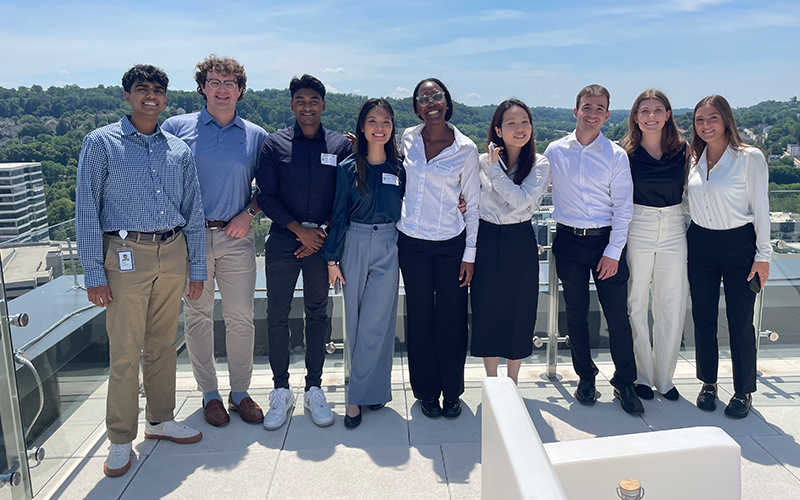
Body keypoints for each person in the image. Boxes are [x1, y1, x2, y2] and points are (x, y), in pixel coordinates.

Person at [76, 64, 206, 477]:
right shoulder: (100, 144)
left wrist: (197, 268)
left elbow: (194, 212)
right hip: (124, 253)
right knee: (126, 349)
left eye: (157, 90)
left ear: (166, 98)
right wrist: (94, 272)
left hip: (172, 250)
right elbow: (85, 210)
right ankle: (119, 438)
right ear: (127, 96)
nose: (150, 96)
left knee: (164, 344)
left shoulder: (177, 150)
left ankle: (159, 420)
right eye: (141, 89)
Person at [162, 55, 268, 427]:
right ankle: (209, 394)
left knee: (241, 317)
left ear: (240, 90)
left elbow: (269, 187)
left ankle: (240, 392)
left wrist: (249, 213)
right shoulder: (176, 127)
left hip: (236, 238)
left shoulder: (254, 135)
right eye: (214, 82)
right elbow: (162, 181)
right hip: (189, 240)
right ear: (202, 87)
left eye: (229, 83)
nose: (222, 90)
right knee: (198, 317)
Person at [255, 74, 352, 430]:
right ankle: (281, 389)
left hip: (323, 242)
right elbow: (265, 195)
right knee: (276, 314)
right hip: (284, 239)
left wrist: (321, 234)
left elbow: (347, 196)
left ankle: (314, 387)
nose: (307, 106)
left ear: (323, 104)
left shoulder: (341, 146)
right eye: (300, 100)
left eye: (314, 100)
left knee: (317, 313)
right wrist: (300, 231)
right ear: (292, 104)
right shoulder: (274, 144)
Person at [544, 84, 644, 415]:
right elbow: (529, 185)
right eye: (587, 106)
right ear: (576, 111)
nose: (592, 113)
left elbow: (623, 208)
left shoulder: (615, 155)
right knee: (576, 314)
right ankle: (585, 378)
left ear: (607, 115)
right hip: (569, 240)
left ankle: (625, 383)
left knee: (617, 316)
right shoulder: (555, 151)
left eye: (599, 108)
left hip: (606, 241)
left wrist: (614, 252)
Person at [398, 78, 480, 419]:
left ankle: (452, 391)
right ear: (417, 107)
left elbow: (472, 205)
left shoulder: (466, 149)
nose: (431, 102)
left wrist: (469, 256)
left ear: (447, 103)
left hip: (450, 244)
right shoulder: (406, 139)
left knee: (452, 319)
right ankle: (426, 391)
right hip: (411, 242)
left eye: (437, 96)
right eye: (423, 98)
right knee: (419, 318)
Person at [686, 95, 771, 419]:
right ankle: (708, 383)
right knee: (703, 318)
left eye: (712, 118)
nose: (706, 125)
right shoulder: (693, 158)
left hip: (739, 244)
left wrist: (763, 256)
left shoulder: (749, 158)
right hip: (701, 242)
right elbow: (687, 202)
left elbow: (761, 209)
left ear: (726, 121)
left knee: (740, 321)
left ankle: (743, 390)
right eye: (699, 120)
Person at [323, 99, 406, 428]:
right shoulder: (346, 168)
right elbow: (338, 214)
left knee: (378, 324)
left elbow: (413, 205)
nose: (380, 127)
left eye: (386, 121)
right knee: (355, 323)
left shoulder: (399, 168)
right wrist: (331, 259)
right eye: (373, 121)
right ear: (362, 127)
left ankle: (364, 393)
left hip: (389, 244)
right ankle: (358, 396)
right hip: (354, 244)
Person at [470, 98, 550, 384]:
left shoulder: (539, 163)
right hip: (486, 236)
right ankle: (492, 380)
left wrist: (494, 170)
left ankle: (513, 380)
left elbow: (520, 203)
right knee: (485, 308)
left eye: (525, 122)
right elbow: (468, 201)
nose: (520, 129)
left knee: (520, 308)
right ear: (498, 130)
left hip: (520, 238)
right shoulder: (478, 161)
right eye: (511, 123)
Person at [619, 89, 689, 402]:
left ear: (668, 114)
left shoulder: (684, 151)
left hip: (674, 225)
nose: (651, 116)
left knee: (671, 303)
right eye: (644, 111)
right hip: (639, 224)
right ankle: (643, 375)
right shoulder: (625, 154)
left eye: (657, 110)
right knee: (635, 302)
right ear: (635, 117)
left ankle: (665, 378)